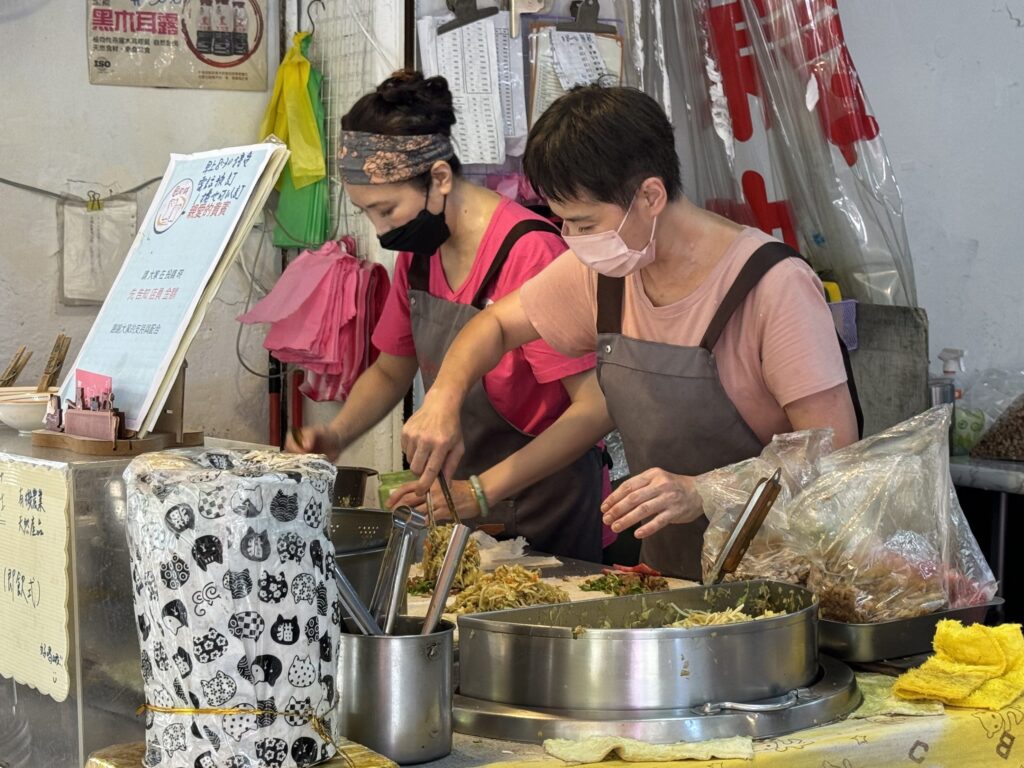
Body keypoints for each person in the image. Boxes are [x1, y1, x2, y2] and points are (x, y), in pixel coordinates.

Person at [399, 85, 862, 580]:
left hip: (782, 585)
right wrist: (442, 398)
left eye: (584, 222)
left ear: (650, 195)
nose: (572, 241)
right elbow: (493, 325)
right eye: (563, 223)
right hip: (670, 579)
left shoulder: (773, 286)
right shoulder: (605, 272)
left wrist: (701, 491)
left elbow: (834, 457)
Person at [288, 71, 607, 562]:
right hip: (461, 504)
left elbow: (592, 410)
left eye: (387, 210)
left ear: (439, 178)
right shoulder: (418, 252)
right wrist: (336, 435)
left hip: (549, 502)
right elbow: (394, 368)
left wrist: (481, 491)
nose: (381, 229)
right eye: (367, 213)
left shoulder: (531, 253)